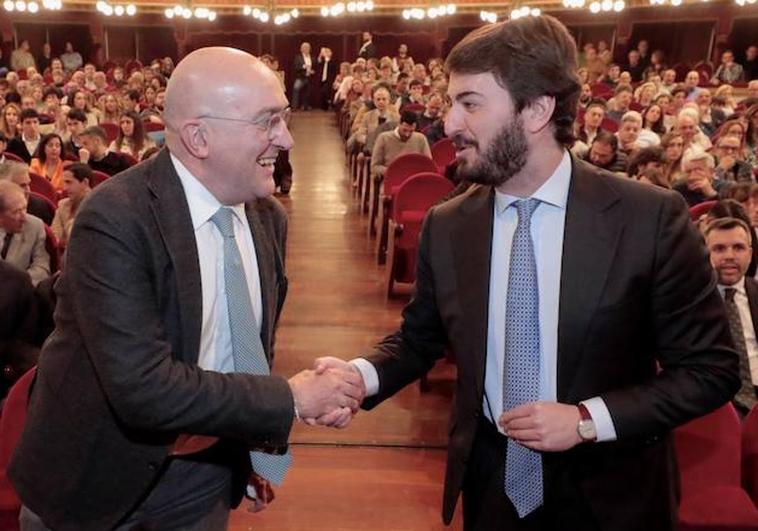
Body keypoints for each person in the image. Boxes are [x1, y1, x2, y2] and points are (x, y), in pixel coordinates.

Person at [315, 17, 739, 531]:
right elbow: (419, 340)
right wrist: (359, 377)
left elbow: (709, 371)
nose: (448, 122)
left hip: (612, 493)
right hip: (492, 488)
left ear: (537, 109)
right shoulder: (449, 224)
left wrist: (586, 421)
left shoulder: (647, 217)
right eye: (451, 102)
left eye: (470, 103)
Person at [10, 46, 363, 531]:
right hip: (96, 480)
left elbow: (245, 349)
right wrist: (291, 399)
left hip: (205, 479)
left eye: (283, 119)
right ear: (199, 136)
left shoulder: (267, 219)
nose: (287, 139)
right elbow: (142, 387)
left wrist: (251, 452)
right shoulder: (115, 218)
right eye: (268, 122)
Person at [705, 217, 758, 413]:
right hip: (715, 403)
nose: (730, 256)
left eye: (738, 248)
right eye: (719, 249)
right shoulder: (688, 301)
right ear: (705, 254)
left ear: (750, 254)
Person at [0, 181, 49, 285]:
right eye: (17, 212)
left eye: (24, 208)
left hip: (20, 292)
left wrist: (15, 285)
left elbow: (42, 267)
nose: (24, 218)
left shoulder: (35, 225)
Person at [370, 110, 431, 179]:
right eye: (404, 130)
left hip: (414, 178)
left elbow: (428, 163)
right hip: (392, 177)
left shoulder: (421, 138)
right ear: (399, 124)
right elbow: (374, 167)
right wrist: (393, 171)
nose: (407, 134)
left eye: (411, 131)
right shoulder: (384, 138)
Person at [50, 163, 91, 247]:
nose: (64, 188)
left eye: (69, 182)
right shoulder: (63, 205)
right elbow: (54, 237)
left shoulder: (98, 208)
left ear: (85, 182)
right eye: (64, 182)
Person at [292, 42, 313, 111]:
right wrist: (304, 67)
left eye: (308, 48)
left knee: (308, 93)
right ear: (301, 49)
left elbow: (315, 65)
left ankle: (305, 106)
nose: (306, 49)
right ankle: (294, 106)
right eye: (304, 48)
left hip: (309, 77)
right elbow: (296, 67)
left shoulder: (311, 57)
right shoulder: (298, 57)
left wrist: (312, 71)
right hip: (300, 77)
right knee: (296, 89)